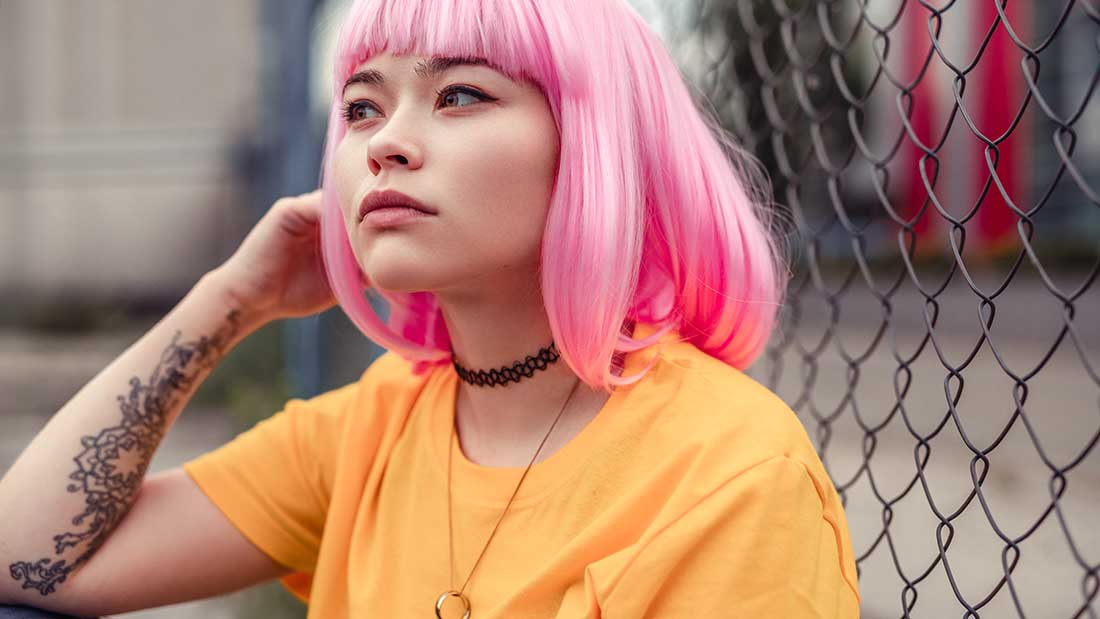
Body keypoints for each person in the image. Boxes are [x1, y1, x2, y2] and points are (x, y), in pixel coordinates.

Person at [0, 0, 860, 617]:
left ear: (593, 147)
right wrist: (228, 299)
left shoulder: (732, 476)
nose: (384, 144)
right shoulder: (373, 428)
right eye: (362, 107)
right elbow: (26, 561)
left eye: (459, 95)